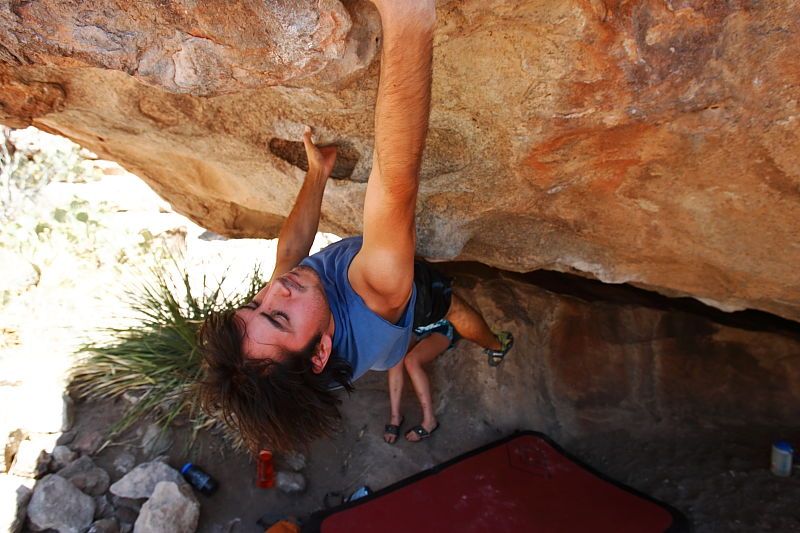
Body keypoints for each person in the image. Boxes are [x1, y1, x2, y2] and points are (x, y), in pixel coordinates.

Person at [198, 0, 512, 454]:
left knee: (305, 296)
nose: (274, 290)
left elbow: (290, 253)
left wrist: (318, 173)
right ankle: (495, 343)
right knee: (453, 309)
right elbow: (396, 185)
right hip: (399, 323)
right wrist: (407, 16)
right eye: (277, 314)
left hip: (378, 356)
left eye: (254, 302)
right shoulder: (377, 293)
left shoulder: (281, 343)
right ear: (321, 352)